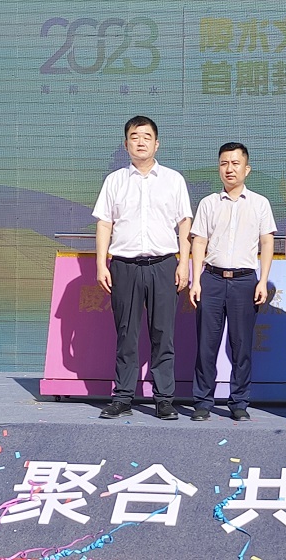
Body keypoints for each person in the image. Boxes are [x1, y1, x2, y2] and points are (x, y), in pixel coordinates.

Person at [93, 116, 191, 420]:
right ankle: (123, 397)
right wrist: (101, 263)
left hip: (164, 265)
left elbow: (184, 223)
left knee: (163, 334)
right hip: (125, 266)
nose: (140, 142)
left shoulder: (173, 180)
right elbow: (105, 223)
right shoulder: (114, 181)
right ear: (126, 145)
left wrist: (184, 263)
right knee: (126, 334)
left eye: (147, 137)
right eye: (134, 137)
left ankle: (164, 399)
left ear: (157, 144)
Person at [188, 142, 277, 422]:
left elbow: (267, 242)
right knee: (207, 345)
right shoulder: (208, 203)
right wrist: (195, 280)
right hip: (212, 279)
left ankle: (239, 402)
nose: (229, 169)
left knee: (241, 345)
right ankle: (203, 401)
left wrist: (262, 281)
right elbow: (199, 241)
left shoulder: (260, 203)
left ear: (246, 169)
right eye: (224, 163)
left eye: (235, 163)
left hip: (244, 281)